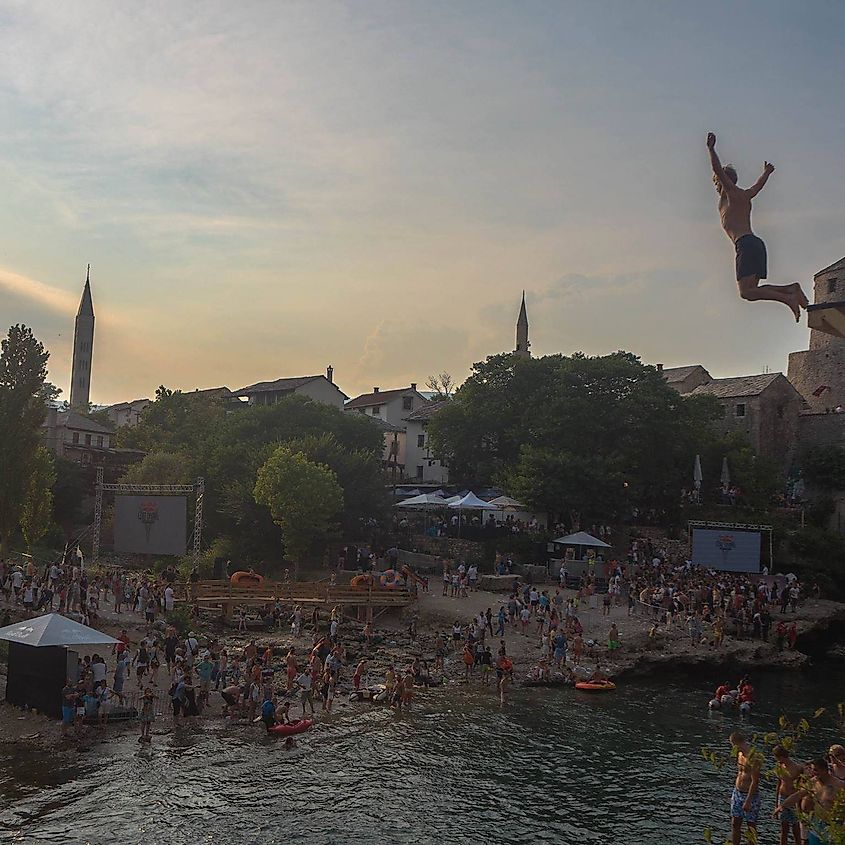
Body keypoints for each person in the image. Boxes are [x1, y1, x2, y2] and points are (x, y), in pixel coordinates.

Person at [707, 132, 807, 321]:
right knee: (753, 290)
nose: (717, 184)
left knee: (747, 293)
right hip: (754, 243)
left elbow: (718, 170)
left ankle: (788, 299)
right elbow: (757, 186)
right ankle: (791, 289)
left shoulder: (733, 194)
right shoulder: (744, 195)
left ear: (722, 181)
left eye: (718, 181)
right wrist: (767, 172)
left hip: (745, 244)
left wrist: (711, 149)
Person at [729, 731, 761, 845]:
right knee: (735, 823)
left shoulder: (753, 757)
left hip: (749, 795)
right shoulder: (739, 755)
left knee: (750, 825)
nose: (733, 748)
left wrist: (748, 800)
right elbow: (740, 773)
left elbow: (755, 781)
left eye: (733, 745)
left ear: (737, 743)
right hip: (737, 792)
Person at [772, 745, 803, 845]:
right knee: (784, 827)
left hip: (793, 799)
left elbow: (801, 786)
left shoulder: (797, 768)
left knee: (795, 828)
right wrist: (776, 803)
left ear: (781, 756)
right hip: (782, 796)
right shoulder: (780, 766)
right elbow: (779, 784)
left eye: (776, 757)